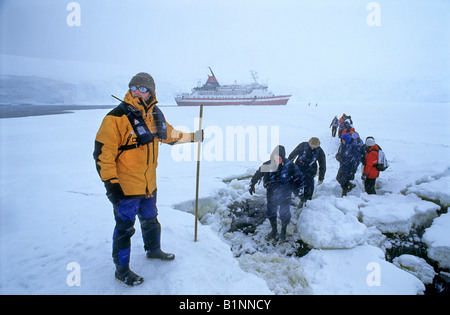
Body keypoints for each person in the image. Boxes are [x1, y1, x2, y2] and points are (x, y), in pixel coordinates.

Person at [93, 72, 203, 286]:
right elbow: (102, 155)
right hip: (125, 188)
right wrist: (111, 184)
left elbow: (169, 135)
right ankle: (121, 270)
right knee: (124, 228)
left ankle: (154, 251)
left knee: (151, 220)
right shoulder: (115, 118)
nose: (137, 92)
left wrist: (193, 137)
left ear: (151, 92)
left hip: (148, 185)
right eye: (133, 87)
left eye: (142, 88)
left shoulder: (154, 115)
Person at [249, 145, 303, 241]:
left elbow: (298, 176)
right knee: (271, 211)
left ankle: (283, 231)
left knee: (285, 213)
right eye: (275, 157)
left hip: (285, 192)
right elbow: (258, 173)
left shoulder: (290, 165)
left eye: (279, 158)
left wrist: (299, 189)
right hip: (271, 192)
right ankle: (274, 230)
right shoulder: (268, 165)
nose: (277, 160)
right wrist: (252, 184)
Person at [288, 137, 326, 205]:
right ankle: (291, 198)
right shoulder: (302, 146)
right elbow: (292, 155)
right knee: (294, 186)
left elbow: (322, 165)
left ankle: (306, 203)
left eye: (314, 147)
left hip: (310, 173)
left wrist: (321, 177)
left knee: (308, 189)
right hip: (298, 169)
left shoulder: (320, 151)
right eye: (311, 146)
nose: (312, 148)